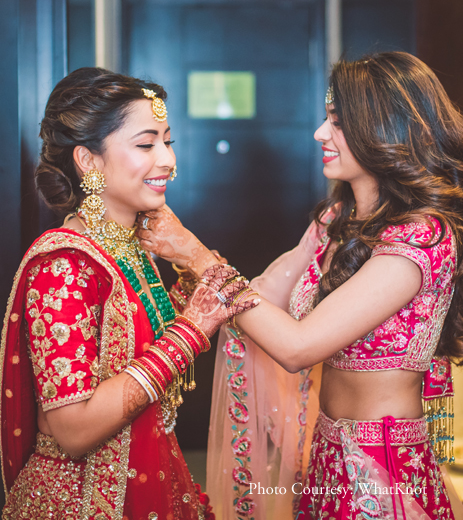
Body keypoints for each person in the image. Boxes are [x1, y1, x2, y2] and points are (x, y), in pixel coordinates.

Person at [137, 52, 463, 520]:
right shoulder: (336, 219)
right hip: (327, 453)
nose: (319, 133)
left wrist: (194, 253)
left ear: (384, 130)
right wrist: (181, 280)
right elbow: (262, 297)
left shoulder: (422, 237)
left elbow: (297, 346)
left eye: (337, 122)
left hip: (383, 467)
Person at [0, 68, 260, 520]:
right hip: (82, 499)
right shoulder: (64, 266)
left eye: (168, 141)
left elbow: (140, 343)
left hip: (145, 475)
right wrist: (191, 331)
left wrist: (189, 270)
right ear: (89, 161)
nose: (168, 161)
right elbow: (74, 429)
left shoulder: (131, 246)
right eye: (146, 144)